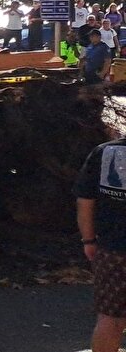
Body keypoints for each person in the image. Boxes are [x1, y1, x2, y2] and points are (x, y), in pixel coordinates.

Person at [73, 133, 126, 352]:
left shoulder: (103, 152)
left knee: (109, 318)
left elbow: (85, 201)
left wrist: (88, 239)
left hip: (112, 250)